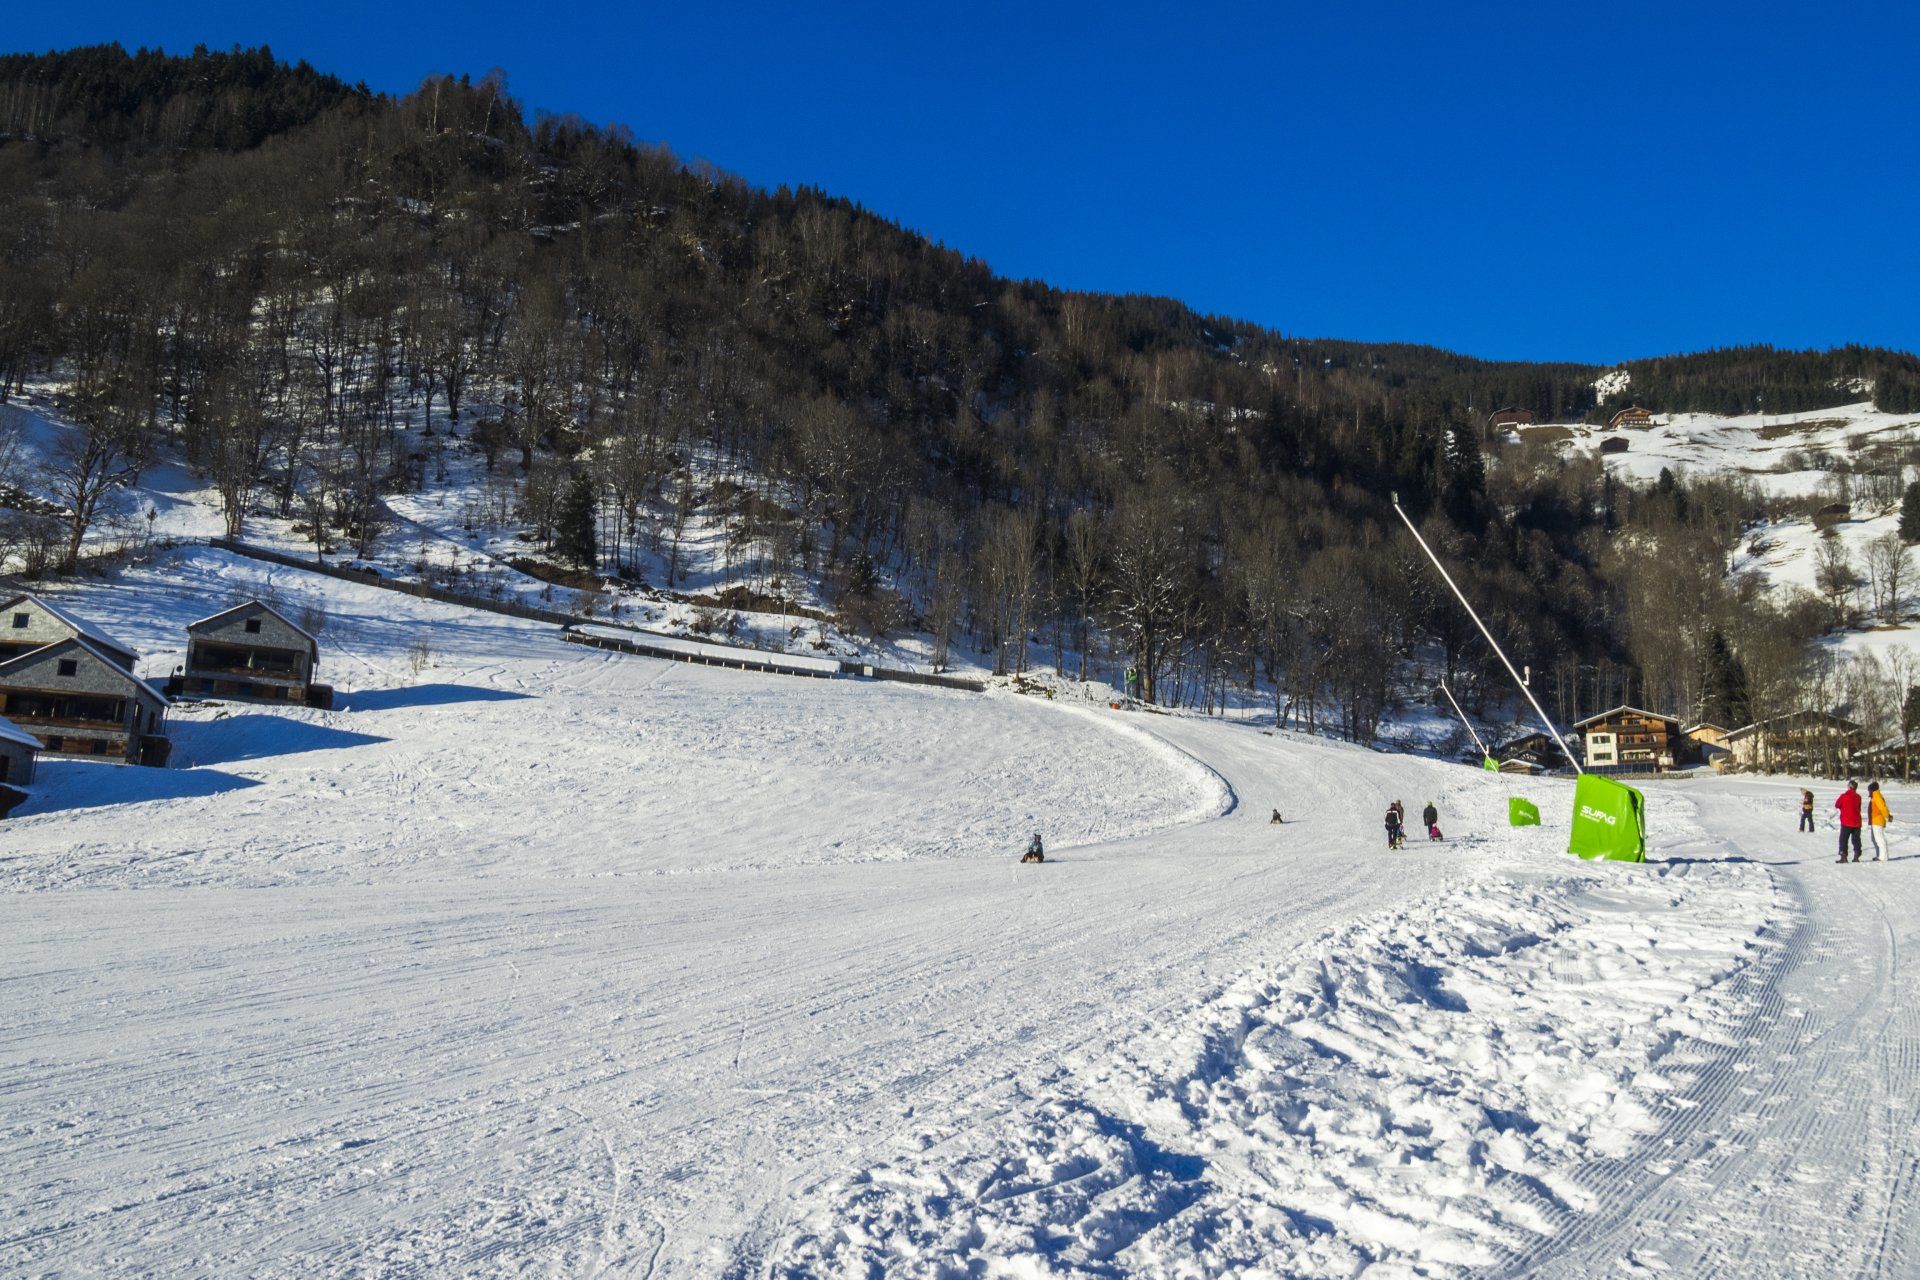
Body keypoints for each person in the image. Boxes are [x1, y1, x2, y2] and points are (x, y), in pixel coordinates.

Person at [1835, 780, 1864, 863]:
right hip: (1857, 821)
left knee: (1843, 839)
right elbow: (1859, 808)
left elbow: (1837, 805)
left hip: (1846, 821)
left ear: (1849, 787)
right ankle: (1857, 855)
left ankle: (1843, 856)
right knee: (1856, 839)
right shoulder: (1858, 797)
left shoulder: (1844, 796)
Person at [1868, 781, 1892, 861]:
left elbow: (1882, 807)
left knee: (1880, 839)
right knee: (1875, 839)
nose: (1868, 791)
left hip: (1877, 820)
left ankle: (1883, 857)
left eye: (1869, 789)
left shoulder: (1877, 796)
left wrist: (1887, 816)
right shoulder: (1875, 796)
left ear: (1872, 789)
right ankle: (1880, 855)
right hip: (1875, 820)